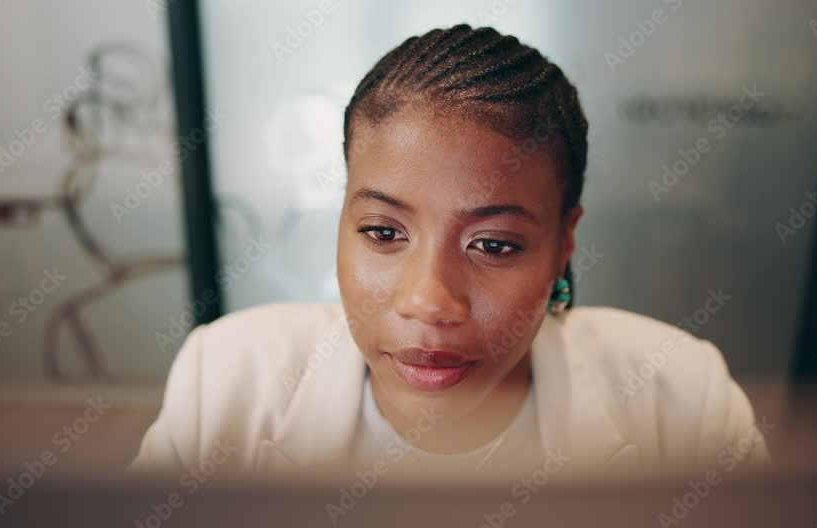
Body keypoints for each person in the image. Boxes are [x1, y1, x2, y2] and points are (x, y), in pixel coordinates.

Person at [129, 24, 769, 479]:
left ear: (563, 242)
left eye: (492, 244)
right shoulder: (226, 380)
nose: (428, 301)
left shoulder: (685, 399)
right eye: (383, 233)